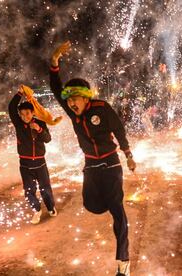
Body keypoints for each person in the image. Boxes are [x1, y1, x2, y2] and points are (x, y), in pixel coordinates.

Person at [49, 41, 136, 276]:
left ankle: (124, 263)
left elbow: (119, 131)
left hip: (110, 164)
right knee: (91, 205)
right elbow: (57, 91)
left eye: (76, 98)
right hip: (90, 166)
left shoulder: (102, 108)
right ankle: (112, 203)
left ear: (86, 98)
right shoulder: (72, 112)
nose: (71, 103)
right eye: (69, 100)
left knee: (118, 214)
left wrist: (128, 155)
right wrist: (54, 64)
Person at [8, 85, 57, 225]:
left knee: (45, 189)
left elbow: (48, 139)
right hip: (25, 164)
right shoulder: (18, 124)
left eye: (27, 114)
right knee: (29, 191)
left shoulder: (40, 122)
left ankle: (51, 207)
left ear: (32, 113)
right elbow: (11, 107)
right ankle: (37, 210)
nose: (24, 117)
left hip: (40, 163)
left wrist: (39, 129)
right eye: (22, 114)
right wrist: (19, 93)